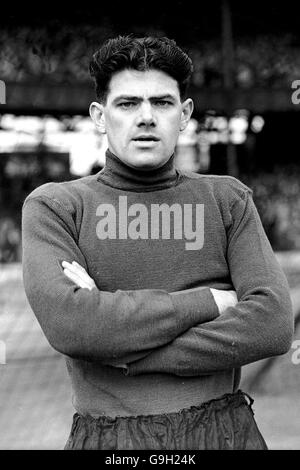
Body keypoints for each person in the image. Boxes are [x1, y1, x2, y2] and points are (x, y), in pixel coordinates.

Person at [22, 35, 294, 450]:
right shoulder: (57, 206)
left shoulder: (228, 199)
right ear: (99, 115)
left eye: (162, 103)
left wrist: (123, 349)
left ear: (184, 113)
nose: (146, 117)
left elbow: (272, 324)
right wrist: (208, 302)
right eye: (128, 103)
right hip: (112, 441)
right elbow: (74, 326)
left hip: (223, 433)